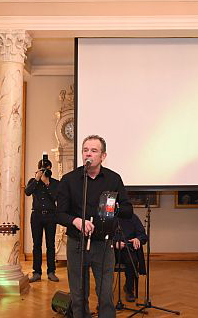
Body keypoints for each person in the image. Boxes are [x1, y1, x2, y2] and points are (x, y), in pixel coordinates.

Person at [57, 135, 133, 318]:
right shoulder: (69, 179)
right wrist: (75, 221)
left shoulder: (113, 179)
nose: (88, 154)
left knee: (106, 294)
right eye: (85, 150)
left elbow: (128, 210)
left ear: (103, 156)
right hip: (76, 244)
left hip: (104, 245)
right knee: (78, 295)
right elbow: (59, 214)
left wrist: (114, 207)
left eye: (93, 150)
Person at [24, 157, 59, 283]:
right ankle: (37, 272)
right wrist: (38, 179)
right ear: (39, 170)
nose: (46, 173)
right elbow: (27, 192)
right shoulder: (33, 181)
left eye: (48, 170)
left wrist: (47, 184)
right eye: (44, 170)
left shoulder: (55, 183)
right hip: (37, 216)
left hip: (51, 216)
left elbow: (56, 197)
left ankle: (51, 272)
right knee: (36, 245)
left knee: (51, 245)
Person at [114, 213, 148, 302]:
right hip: (111, 250)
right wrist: (114, 244)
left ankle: (129, 289)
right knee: (106, 263)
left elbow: (143, 235)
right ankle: (106, 292)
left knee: (132, 261)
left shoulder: (133, 217)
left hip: (127, 248)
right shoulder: (109, 216)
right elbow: (102, 235)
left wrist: (138, 239)